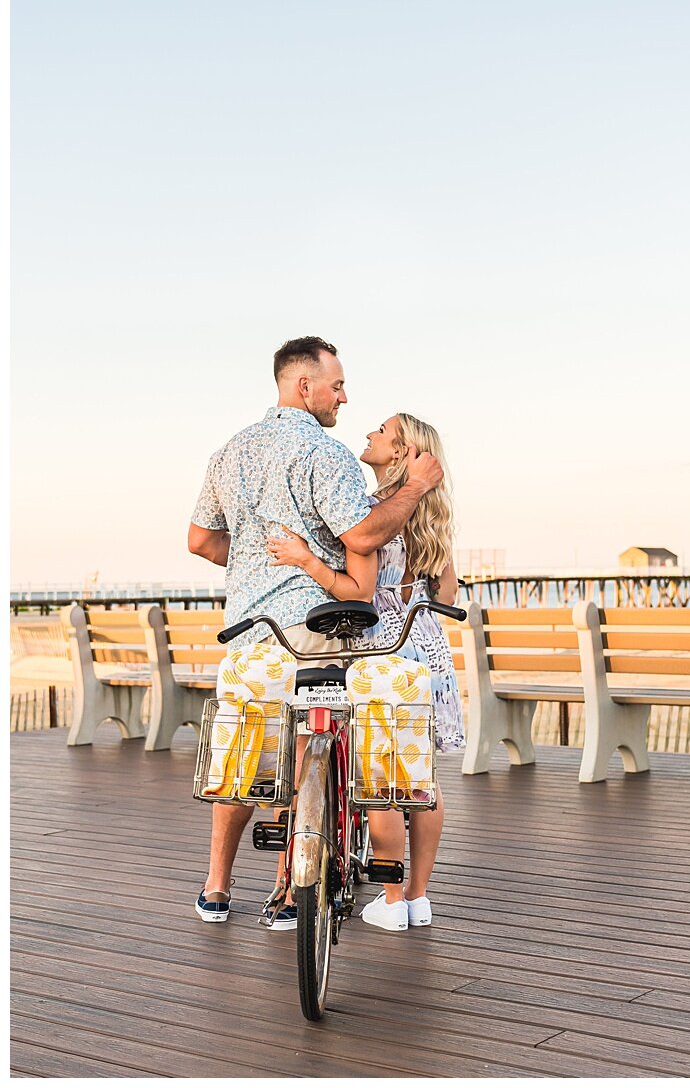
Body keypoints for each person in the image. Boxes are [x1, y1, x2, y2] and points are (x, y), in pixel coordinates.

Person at [188, 337, 442, 928]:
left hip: (249, 635)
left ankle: (217, 888)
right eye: (337, 385)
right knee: (316, 739)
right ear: (305, 387)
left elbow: (200, 540)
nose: (344, 397)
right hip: (314, 632)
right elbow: (365, 535)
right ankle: (290, 889)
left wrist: (254, 560)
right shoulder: (324, 454)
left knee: (243, 754)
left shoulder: (230, 451)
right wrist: (414, 488)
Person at [267, 412, 461, 933]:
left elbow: (355, 590)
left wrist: (305, 558)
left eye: (381, 431)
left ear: (399, 453)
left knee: (376, 777)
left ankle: (392, 900)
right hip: (426, 647)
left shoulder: (372, 514)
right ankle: (418, 898)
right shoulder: (434, 517)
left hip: (380, 649)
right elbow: (447, 596)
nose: (369, 434)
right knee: (421, 779)